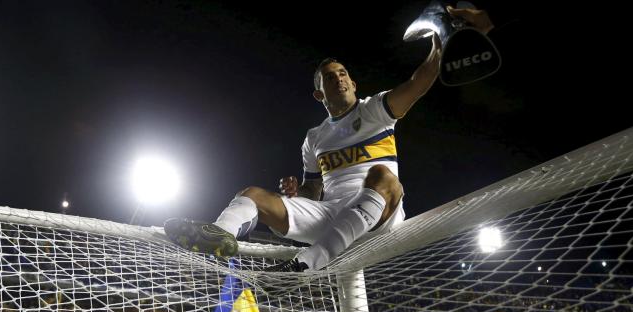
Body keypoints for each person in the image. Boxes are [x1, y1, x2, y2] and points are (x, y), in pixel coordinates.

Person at [164, 7, 494, 272]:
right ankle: (220, 235)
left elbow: (419, 81)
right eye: (330, 76)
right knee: (251, 194)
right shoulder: (314, 138)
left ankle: (310, 264)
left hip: (379, 215)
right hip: (331, 218)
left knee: (383, 176)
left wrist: (440, 39)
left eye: (343, 73)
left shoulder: (375, 110)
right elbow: (313, 191)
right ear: (319, 92)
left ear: (352, 82)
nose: (339, 77)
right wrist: (297, 193)